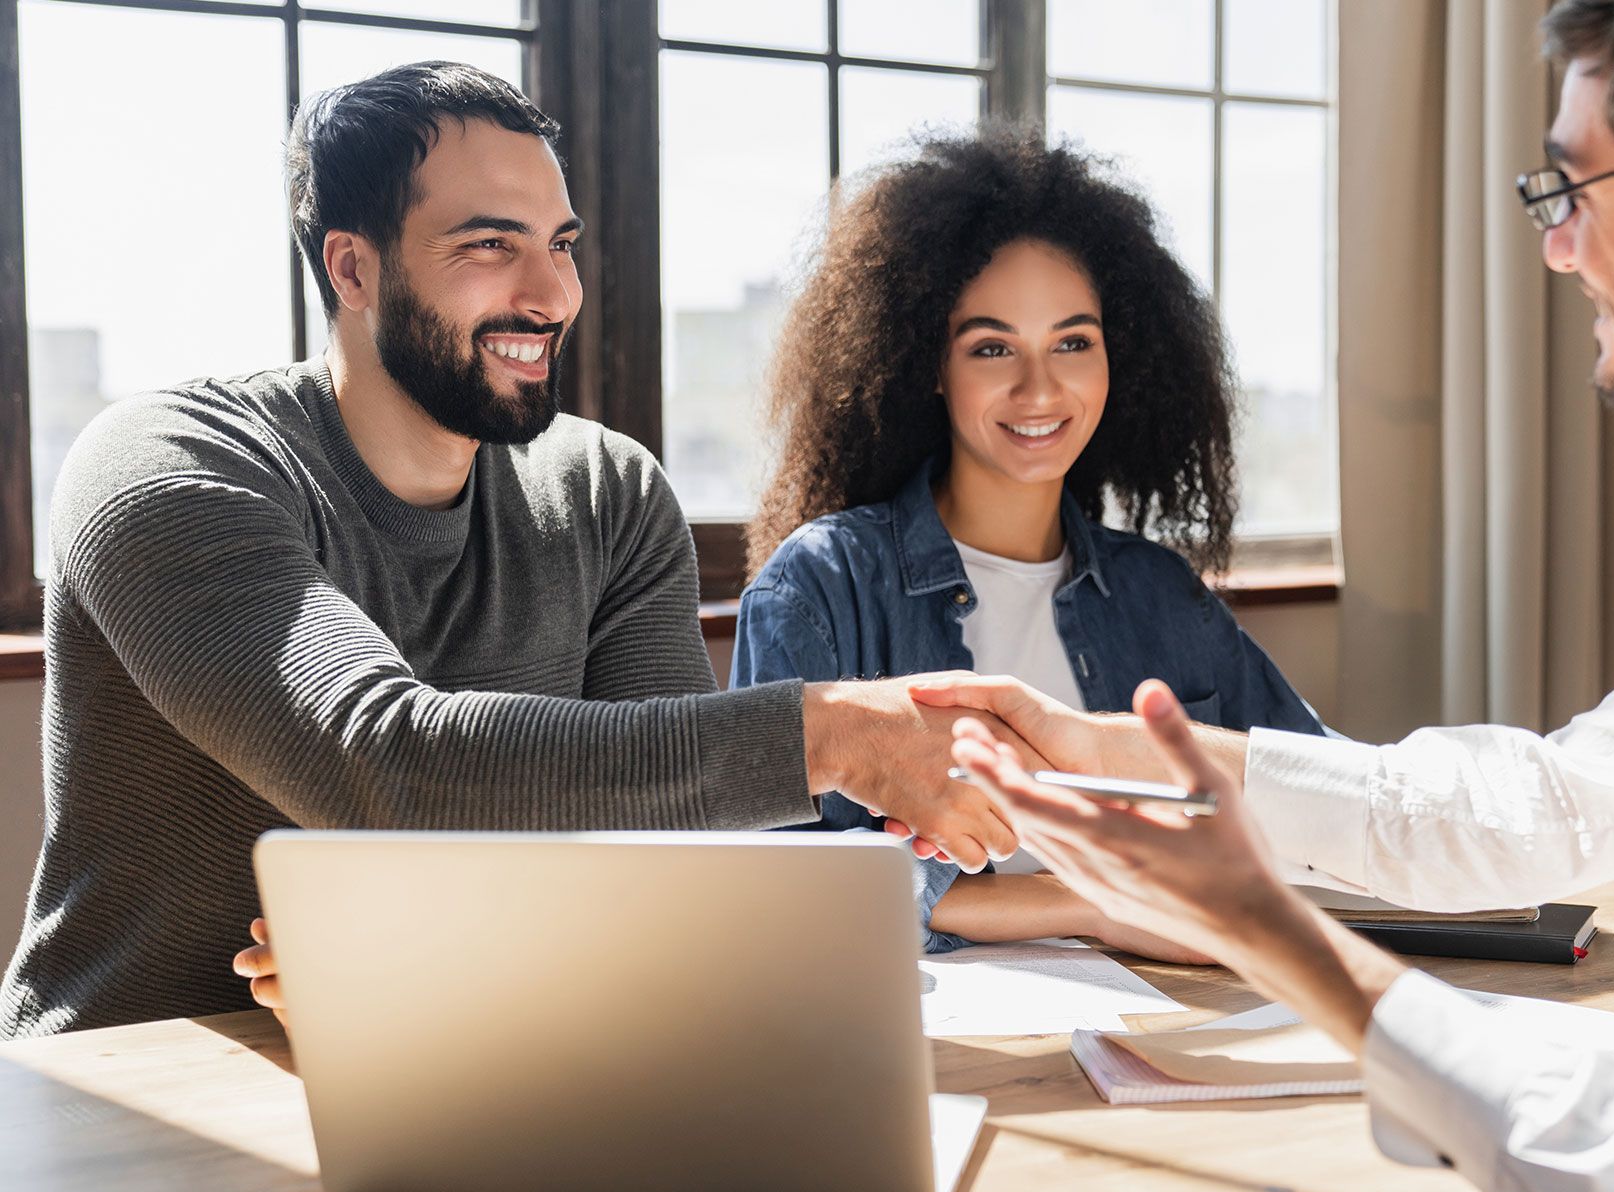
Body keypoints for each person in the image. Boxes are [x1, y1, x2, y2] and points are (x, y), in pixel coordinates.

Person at [918, 0, 1614, 1192]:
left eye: (1578, 190)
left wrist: (1277, 939)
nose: (1558, 248)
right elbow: (1545, 805)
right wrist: (1113, 753)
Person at [0, 62, 1025, 1040]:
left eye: (562, 242)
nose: (552, 293)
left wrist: (432, 958)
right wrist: (836, 737)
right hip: (129, 1079)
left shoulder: (605, 491)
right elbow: (375, 763)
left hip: (489, 1053)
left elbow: (671, 864)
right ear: (352, 266)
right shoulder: (166, 463)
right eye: (490, 245)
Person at [731, 128, 1326, 957]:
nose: (1040, 388)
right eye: (992, 347)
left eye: (1073, 342)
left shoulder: (1163, 595)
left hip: (1181, 1016)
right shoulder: (823, 587)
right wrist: (1086, 902)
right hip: (953, 1050)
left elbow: (1329, 803)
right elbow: (779, 892)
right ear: (929, 364)